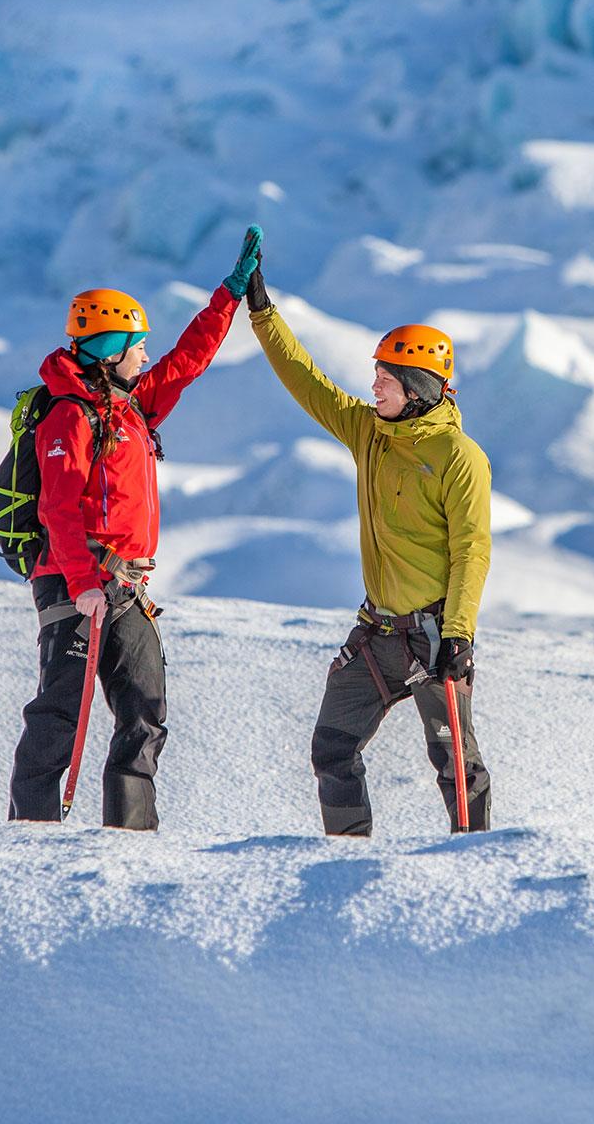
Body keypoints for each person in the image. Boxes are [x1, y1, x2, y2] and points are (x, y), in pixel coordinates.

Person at [6, 231, 258, 829]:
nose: (145, 356)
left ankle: (130, 837)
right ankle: (30, 835)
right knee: (61, 713)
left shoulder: (133, 406)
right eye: (137, 346)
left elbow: (187, 361)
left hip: (127, 587)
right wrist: (82, 582)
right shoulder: (70, 415)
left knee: (145, 710)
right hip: (78, 583)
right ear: (111, 348)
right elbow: (59, 511)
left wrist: (230, 294)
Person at [243, 245, 494, 836]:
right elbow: (308, 383)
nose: (373, 386)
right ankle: (347, 860)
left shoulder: (458, 457)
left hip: (435, 637)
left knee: (456, 766)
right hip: (378, 634)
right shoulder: (369, 432)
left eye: (386, 378)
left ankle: (476, 863)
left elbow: (472, 552)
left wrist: (457, 634)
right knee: (332, 749)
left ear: (416, 386)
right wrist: (262, 312)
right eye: (375, 375)